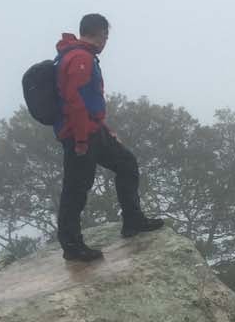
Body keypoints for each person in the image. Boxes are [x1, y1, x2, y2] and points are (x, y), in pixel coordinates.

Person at [54, 13, 164, 262]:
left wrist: (104, 127)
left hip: (93, 130)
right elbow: (76, 102)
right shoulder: (80, 58)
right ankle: (72, 246)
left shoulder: (78, 55)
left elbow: (89, 101)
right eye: (106, 35)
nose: (106, 41)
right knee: (76, 189)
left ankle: (133, 220)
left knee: (126, 163)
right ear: (100, 33)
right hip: (79, 134)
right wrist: (81, 141)